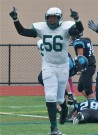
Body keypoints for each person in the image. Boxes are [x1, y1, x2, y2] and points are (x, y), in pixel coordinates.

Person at [9, 7, 84, 135]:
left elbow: (79, 30)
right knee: (50, 96)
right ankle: (54, 128)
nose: (52, 20)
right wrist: (15, 19)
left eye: (54, 17)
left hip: (63, 67)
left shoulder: (66, 28)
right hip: (48, 66)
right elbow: (22, 31)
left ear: (60, 18)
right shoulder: (42, 28)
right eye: (50, 18)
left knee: (60, 99)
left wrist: (77, 19)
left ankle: (64, 108)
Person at [70, 31, 96, 99]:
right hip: (91, 66)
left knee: (88, 91)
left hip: (87, 67)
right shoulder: (87, 39)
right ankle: (91, 101)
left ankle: (95, 105)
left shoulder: (78, 42)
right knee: (80, 88)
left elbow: (81, 59)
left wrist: (77, 68)